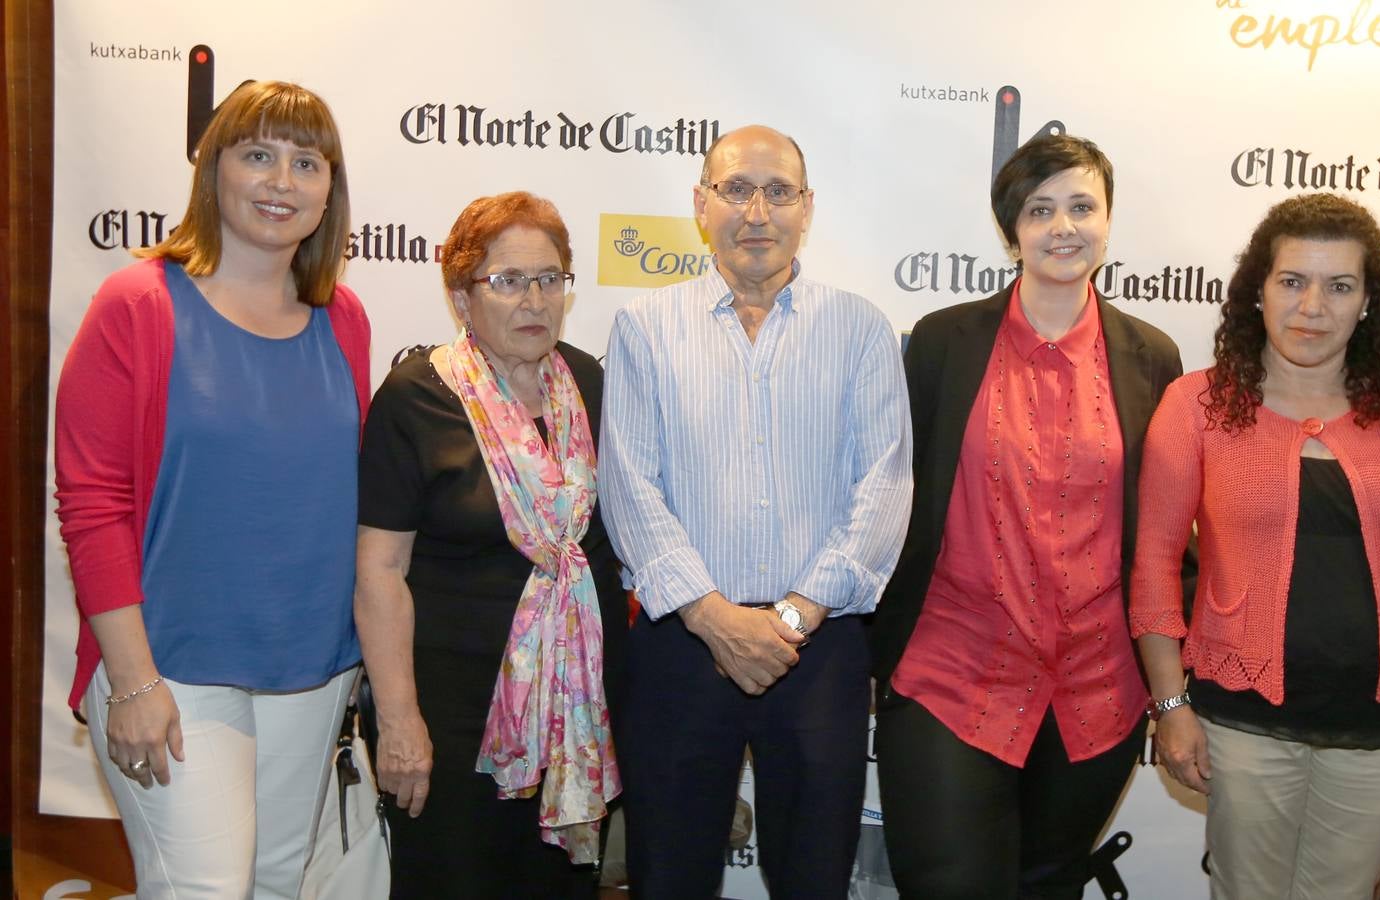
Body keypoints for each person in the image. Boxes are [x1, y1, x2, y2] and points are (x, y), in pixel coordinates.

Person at [54, 80, 370, 898]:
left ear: (330, 189)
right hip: (172, 667)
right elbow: (92, 507)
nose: (281, 181)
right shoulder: (138, 304)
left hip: (311, 669)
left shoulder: (343, 319)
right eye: (257, 154)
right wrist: (132, 680)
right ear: (213, 170)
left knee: (273, 886)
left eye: (306, 163)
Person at [868, 133, 1190, 900]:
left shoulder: (1152, 358)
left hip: (1095, 687)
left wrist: (1172, 685)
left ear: (1108, 222)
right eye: (1040, 210)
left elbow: (1166, 535)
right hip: (952, 668)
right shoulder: (943, 342)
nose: (1062, 227)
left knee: (1048, 887)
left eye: (1082, 206)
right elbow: (889, 497)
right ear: (1010, 229)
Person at [597, 124, 912, 900]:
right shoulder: (645, 329)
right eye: (736, 189)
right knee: (668, 875)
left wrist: (793, 620)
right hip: (680, 647)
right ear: (701, 204)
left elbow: (882, 487)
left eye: (778, 191)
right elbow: (629, 489)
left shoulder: (860, 330)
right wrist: (714, 618)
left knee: (812, 878)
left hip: (820, 651)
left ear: (808, 208)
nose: (756, 211)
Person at [1129, 192, 1380, 900]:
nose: (1312, 305)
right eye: (1291, 281)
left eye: (1339, 285)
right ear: (1258, 291)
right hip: (1244, 720)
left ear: (1368, 302)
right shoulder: (1197, 406)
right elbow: (1154, 566)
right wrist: (1167, 706)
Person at [354, 191, 626, 899]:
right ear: (460, 295)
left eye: (549, 278)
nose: (533, 299)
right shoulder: (417, 397)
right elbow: (380, 571)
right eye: (507, 281)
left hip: (573, 711)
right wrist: (400, 722)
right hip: (451, 716)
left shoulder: (588, 383)